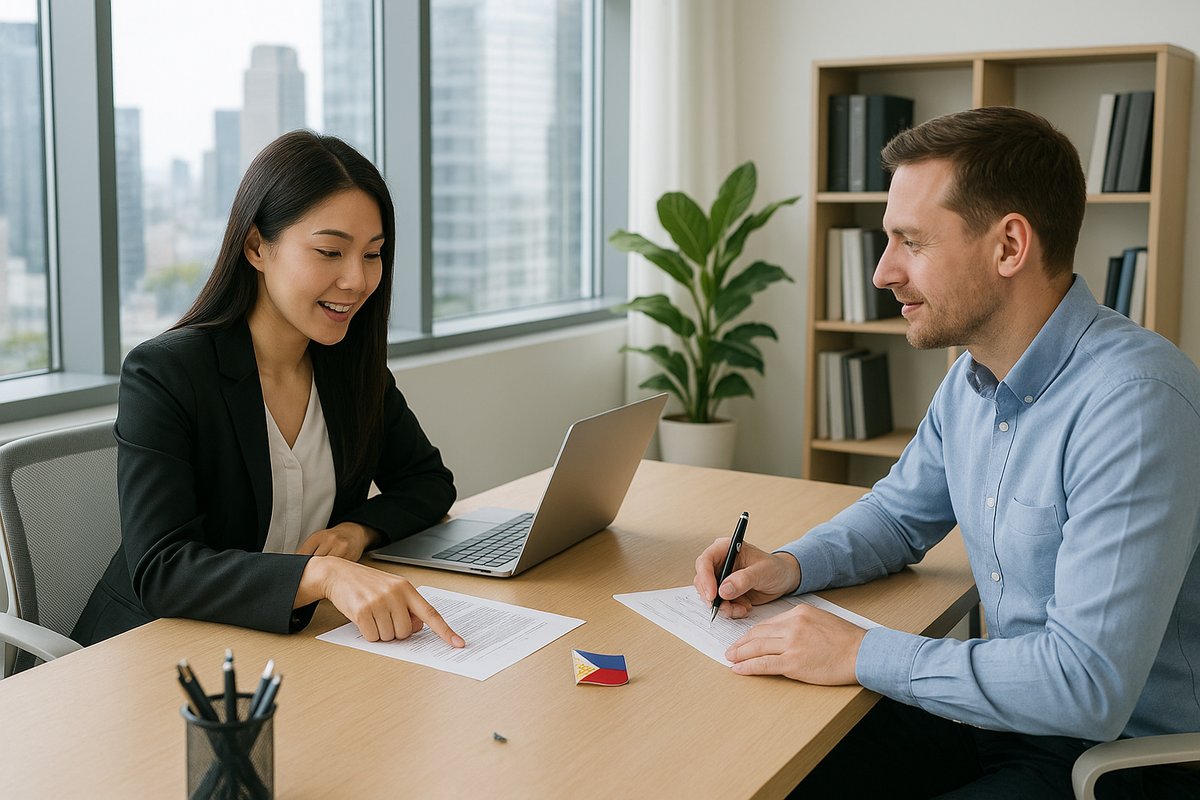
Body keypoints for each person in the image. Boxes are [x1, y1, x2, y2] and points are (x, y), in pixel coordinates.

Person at [694, 107, 1200, 798]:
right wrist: (787, 566)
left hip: (1119, 761)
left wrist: (860, 652)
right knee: (766, 762)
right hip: (1004, 713)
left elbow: (1087, 686)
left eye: (910, 241)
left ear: (1009, 246)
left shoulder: (1134, 403)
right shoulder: (973, 378)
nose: (882, 273)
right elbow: (899, 518)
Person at [74, 130, 465, 650]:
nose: (357, 280)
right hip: (153, 650)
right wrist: (323, 577)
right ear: (257, 246)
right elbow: (163, 570)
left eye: (373, 255)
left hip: (281, 645)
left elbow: (427, 482)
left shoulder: (350, 367)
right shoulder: (165, 373)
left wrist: (357, 532)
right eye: (330, 251)